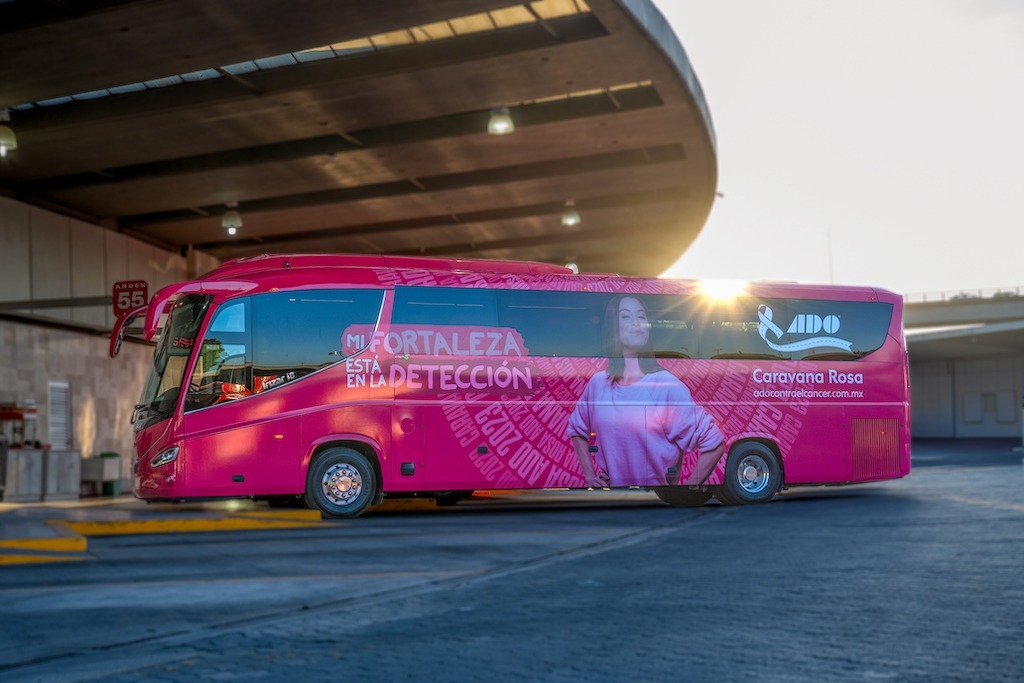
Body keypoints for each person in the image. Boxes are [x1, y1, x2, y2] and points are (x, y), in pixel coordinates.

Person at [566, 295, 725, 487]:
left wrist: (688, 491)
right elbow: (577, 429)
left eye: (641, 316)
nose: (636, 323)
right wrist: (590, 477)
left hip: (654, 503)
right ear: (612, 327)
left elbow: (714, 442)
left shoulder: (666, 386)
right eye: (626, 316)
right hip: (609, 501)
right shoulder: (598, 384)